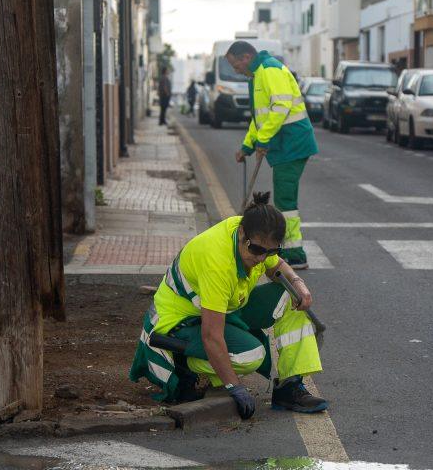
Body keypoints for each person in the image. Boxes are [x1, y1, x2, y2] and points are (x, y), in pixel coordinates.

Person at [129, 192, 328, 418]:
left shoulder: (254, 234)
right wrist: (235, 387)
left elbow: (276, 266)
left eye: (271, 251)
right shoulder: (217, 262)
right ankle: (181, 359)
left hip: (226, 307)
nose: (262, 258)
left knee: (291, 297)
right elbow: (212, 336)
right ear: (242, 233)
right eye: (257, 250)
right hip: (181, 321)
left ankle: (289, 388)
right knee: (251, 355)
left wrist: (298, 283)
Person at [226, 41, 318, 270]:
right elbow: (260, 118)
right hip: (285, 144)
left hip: (293, 143)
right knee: (284, 200)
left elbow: (280, 107)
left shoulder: (270, 70)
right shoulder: (258, 75)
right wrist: (247, 146)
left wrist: (264, 139)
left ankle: (295, 254)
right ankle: (289, 249)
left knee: (286, 202)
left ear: (246, 57)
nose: (236, 70)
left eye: (235, 65)